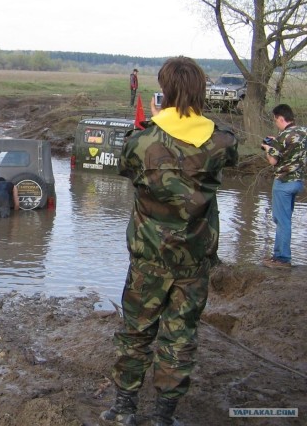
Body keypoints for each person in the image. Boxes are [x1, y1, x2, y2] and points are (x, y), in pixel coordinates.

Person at [101, 56, 238, 426]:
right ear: (200, 90)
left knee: (136, 332)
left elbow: (126, 168)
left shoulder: (141, 140)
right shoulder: (222, 139)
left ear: (164, 91)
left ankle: (124, 409)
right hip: (194, 258)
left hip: (149, 257)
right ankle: (164, 416)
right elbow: (230, 157)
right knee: (181, 337)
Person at [260, 104, 307, 270]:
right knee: (283, 219)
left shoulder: (283, 136)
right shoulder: (303, 132)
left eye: (275, 120)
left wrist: (268, 148)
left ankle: (282, 258)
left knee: (282, 220)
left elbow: (273, 160)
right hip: (297, 182)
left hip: (283, 182)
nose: (276, 124)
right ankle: (278, 255)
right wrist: (276, 143)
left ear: (281, 118)